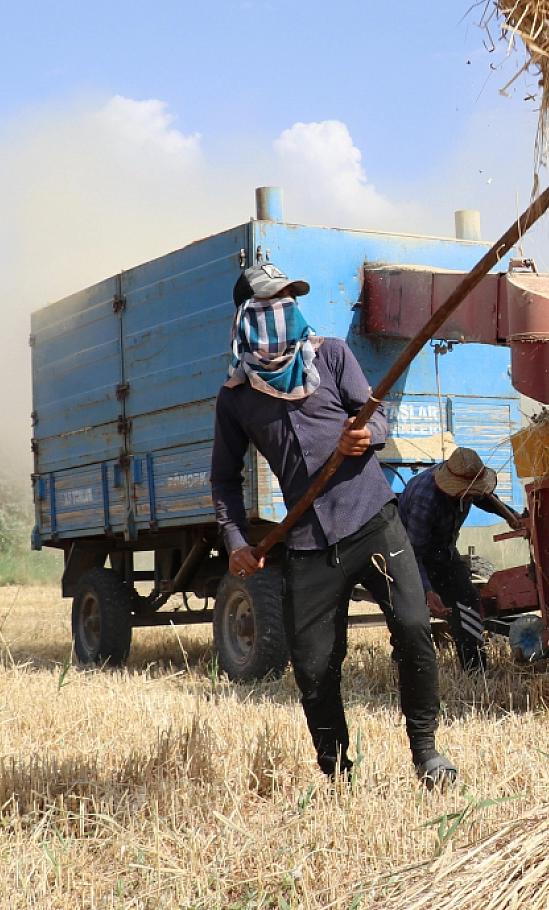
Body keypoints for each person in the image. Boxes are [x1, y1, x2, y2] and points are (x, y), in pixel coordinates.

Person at [210, 262, 456, 788]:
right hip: (306, 545)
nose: (285, 312)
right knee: (315, 665)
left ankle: (427, 753)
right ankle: (338, 775)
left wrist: (370, 437)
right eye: (271, 304)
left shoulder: (333, 356)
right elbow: (224, 481)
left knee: (413, 628)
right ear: (247, 320)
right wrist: (236, 541)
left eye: (289, 300)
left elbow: (377, 413)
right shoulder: (236, 398)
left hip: (373, 520)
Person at [397, 448, 523, 672]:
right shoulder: (425, 498)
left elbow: (485, 499)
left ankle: (476, 671)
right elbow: (412, 552)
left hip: (444, 552)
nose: (470, 497)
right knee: (411, 617)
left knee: (467, 600)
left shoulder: (467, 477)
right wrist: (427, 590)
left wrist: (510, 515)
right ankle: (406, 670)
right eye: (465, 493)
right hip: (410, 556)